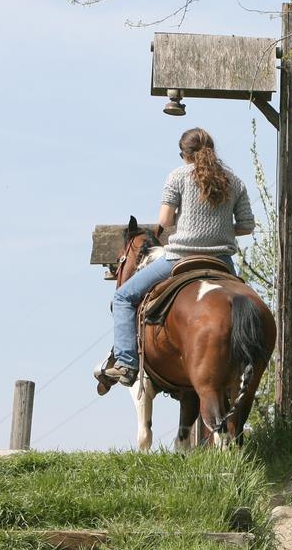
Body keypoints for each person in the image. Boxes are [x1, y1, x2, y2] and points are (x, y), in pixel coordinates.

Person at [99, 127, 255, 388]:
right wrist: (222, 229)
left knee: (123, 297)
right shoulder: (234, 181)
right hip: (222, 263)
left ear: (184, 154)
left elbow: (165, 220)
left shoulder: (178, 176)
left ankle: (126, 363)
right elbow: (247, 226)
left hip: (179, 258)